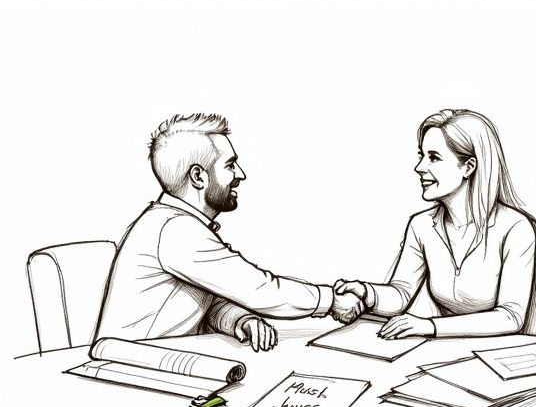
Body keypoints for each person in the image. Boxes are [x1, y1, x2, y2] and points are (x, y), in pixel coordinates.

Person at [94, 113, 363, 352]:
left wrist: (238, 320)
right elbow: (261, 290)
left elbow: (202, 299)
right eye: (230, 165)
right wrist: (331, 301)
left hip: (159, 363)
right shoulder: (176, 230)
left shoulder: (173, 223)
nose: (241, 175)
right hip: (130, 372)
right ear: (198, 177)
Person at [334, 109, 536, 339]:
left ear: (469, 167)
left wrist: (430, 327)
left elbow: (510, 317)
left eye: (434, 158)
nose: (420, 167)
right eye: (422, 155)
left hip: (523, 352)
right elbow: (402, 293)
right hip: (456, 350)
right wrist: (366, 293)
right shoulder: (421, 225)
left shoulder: (515, 228)